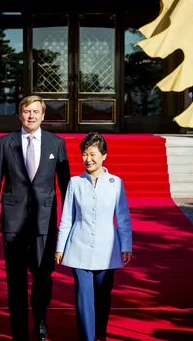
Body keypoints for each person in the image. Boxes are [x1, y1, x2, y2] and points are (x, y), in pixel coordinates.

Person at [0, 95, 71, 341]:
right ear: (20, 114)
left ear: (43, 115)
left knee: (43, 276)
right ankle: (19, 331)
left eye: (36, 111)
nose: (31, 115)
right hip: (13, 219)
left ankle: (41, 318)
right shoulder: (5, 142)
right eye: (26, 111)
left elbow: (65, 186)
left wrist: (68, 222)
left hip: (45, 221)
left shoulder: (56, 143)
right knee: (16, 280)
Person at [55, 132, 132, 341]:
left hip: (108, 249)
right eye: (84, 154)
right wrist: (60, 248)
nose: (88, 159)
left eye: (93, 154)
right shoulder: (75, 183)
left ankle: (100, 335)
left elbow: (123, 218)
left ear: (104, 156)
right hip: (78, 246)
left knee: (103, 296)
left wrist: (126, 246)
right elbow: (67, 217)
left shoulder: (116, 183)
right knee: (83, 297)